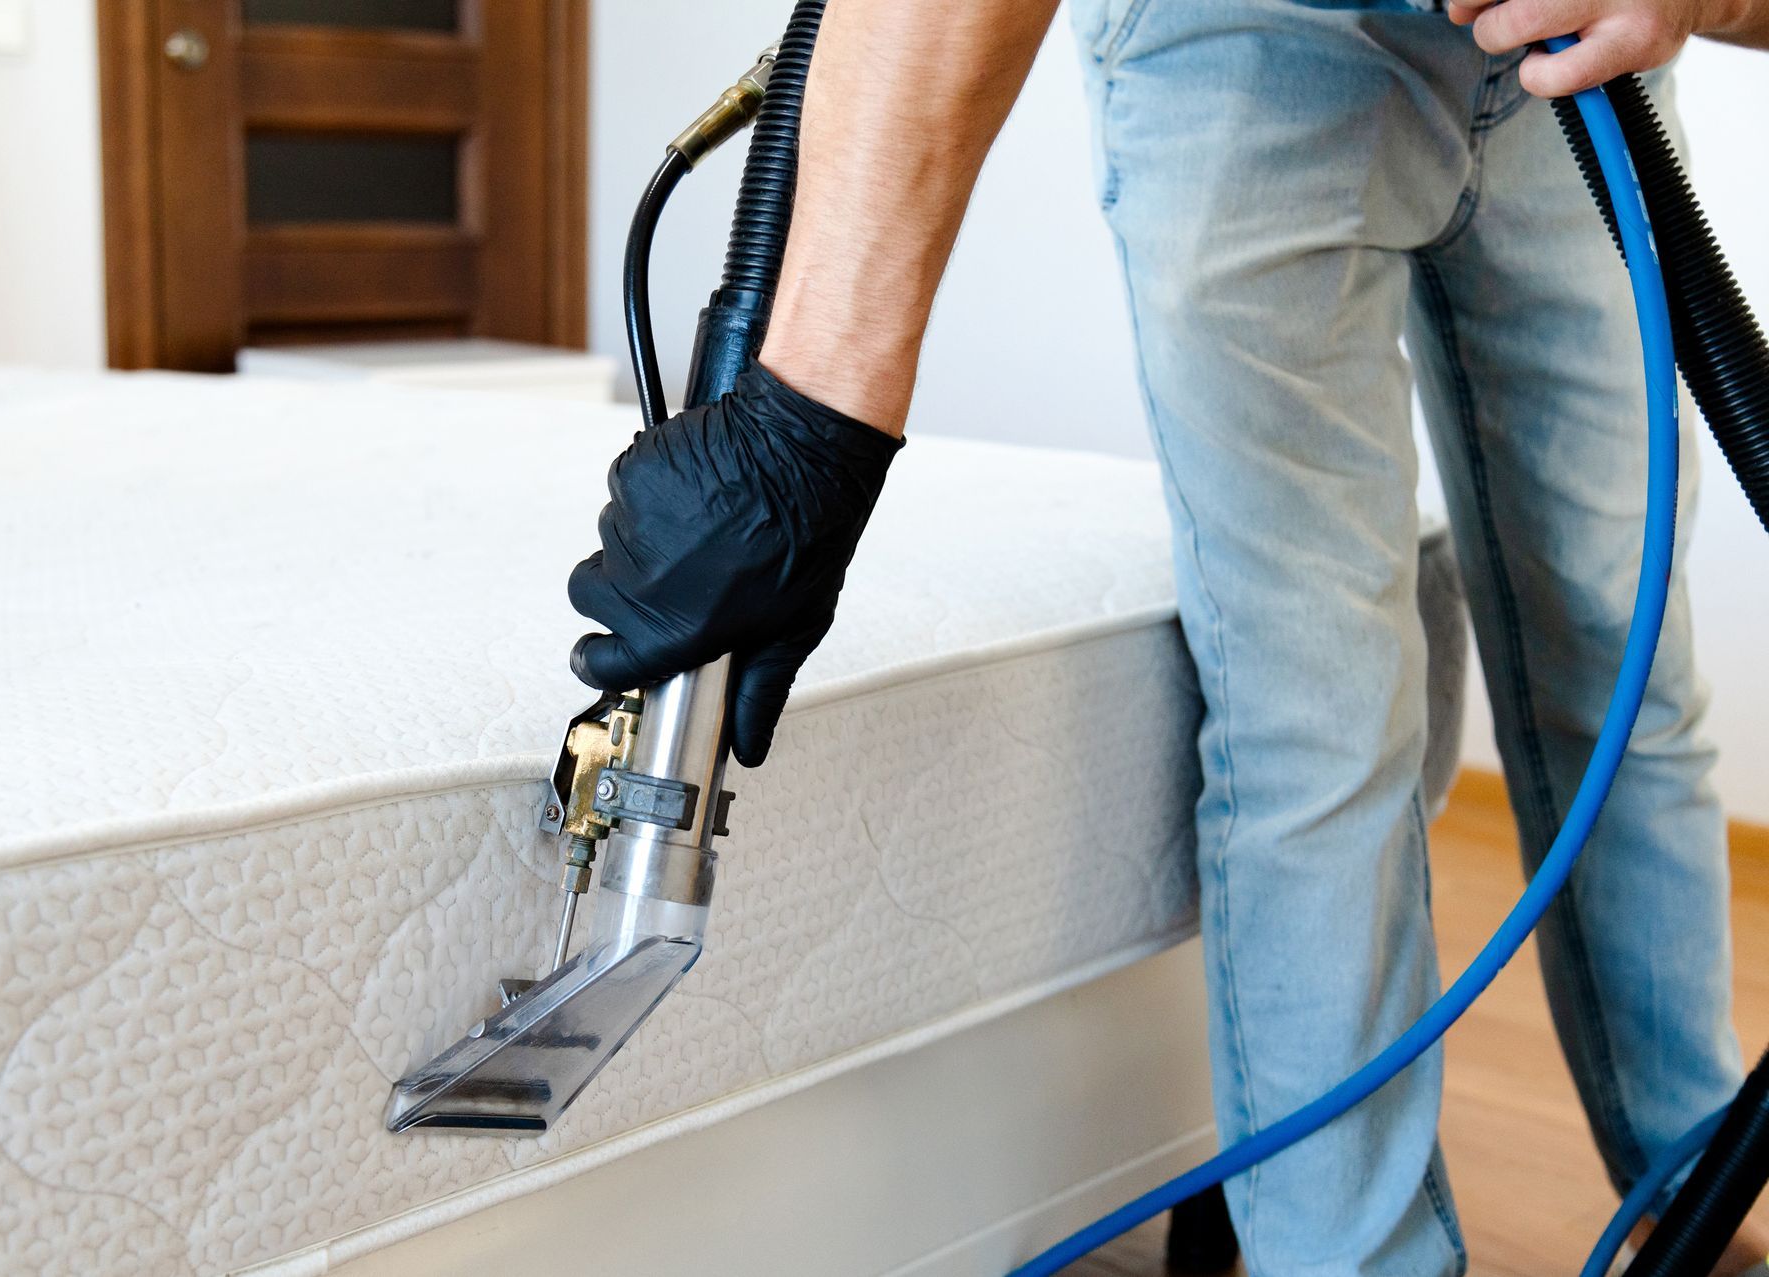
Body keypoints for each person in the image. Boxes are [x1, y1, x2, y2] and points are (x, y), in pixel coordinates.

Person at [566, 0, 1769, 1272]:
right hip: (1251, 42)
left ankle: (1701, 1198)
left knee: (1625, 647)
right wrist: (816, 412)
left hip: (1564, 70)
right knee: (1325, 709)